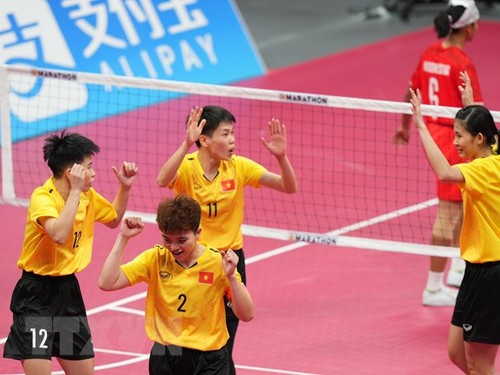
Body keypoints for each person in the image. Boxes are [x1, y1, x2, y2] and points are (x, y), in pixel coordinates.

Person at [156, 105, 298, 373]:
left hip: (230, 263)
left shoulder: (238, 167)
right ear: (205, 140)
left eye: (233, 133)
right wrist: (186, 144)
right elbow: (162, 180)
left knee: (225, 342)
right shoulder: (187, 168)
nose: (232, 140)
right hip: (192, 263)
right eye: (225, 134)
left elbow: (289, 186)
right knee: (191, 338)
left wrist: (281, 157)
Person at [2, 131, 138, 374]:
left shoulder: (87, 196)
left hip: (67, 295)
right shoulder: (43, 198)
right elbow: (59, 234)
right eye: (89, 167)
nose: (94, 172)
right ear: (71, 173)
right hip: (36, 298)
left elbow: (114, 219)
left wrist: (124, 188)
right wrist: (75, 192)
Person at [98, 195, 255, 375]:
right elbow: (107, 282)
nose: (173, 247)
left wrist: (232, 278)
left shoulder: (217, 262)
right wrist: (123, 237)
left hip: (208, 356)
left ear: (198, 233)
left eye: (181, 240)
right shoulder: (155, 258)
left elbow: (247, 314)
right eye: (167, 239)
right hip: (165, 354)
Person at [393, 0, 483, 306]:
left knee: (463, 203)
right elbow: (476, 110)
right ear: (468, 27)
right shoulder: (461, 61)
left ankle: (458, 267)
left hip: (434, 135)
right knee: (448, 215)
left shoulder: (429, 53)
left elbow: (410, 91)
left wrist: (405, 126)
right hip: (455, 141)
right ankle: (432, 288)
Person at [409, 86, 500, 374]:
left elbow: (446, 173)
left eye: (459, 135)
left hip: (491, 273)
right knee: (456, 352)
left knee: (479, 365)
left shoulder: (483, 170)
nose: (455, 141)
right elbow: (491, 135)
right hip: (475, 270)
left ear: (479, 138)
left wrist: (421, 124)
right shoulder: (492, 154)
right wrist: (471, 106)